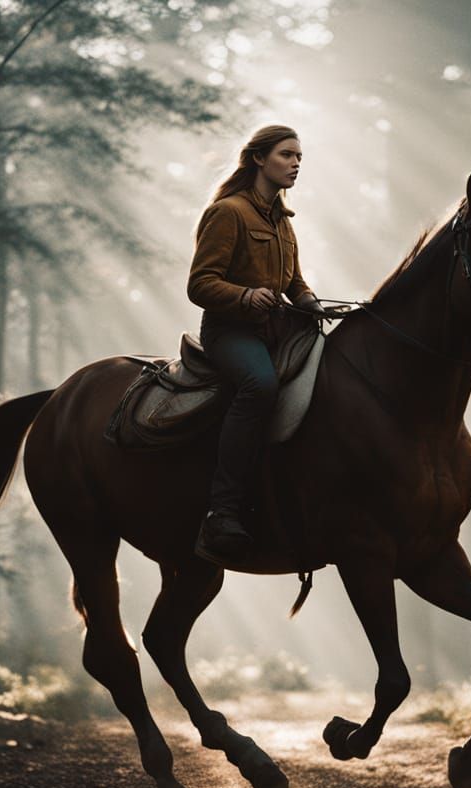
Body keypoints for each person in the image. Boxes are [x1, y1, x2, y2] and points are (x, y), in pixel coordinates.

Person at [187, 124, 324, 564]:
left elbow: (294, 281)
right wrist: (244, 296)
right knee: (259, 386)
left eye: (299, 156)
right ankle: (222, 509)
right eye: (287, 155)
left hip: (274, 331)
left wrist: (308, 302)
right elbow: (200, 284)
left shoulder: (283, 221)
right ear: (259, 159)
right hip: (230, 333)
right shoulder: (228, 212)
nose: (296, 163)